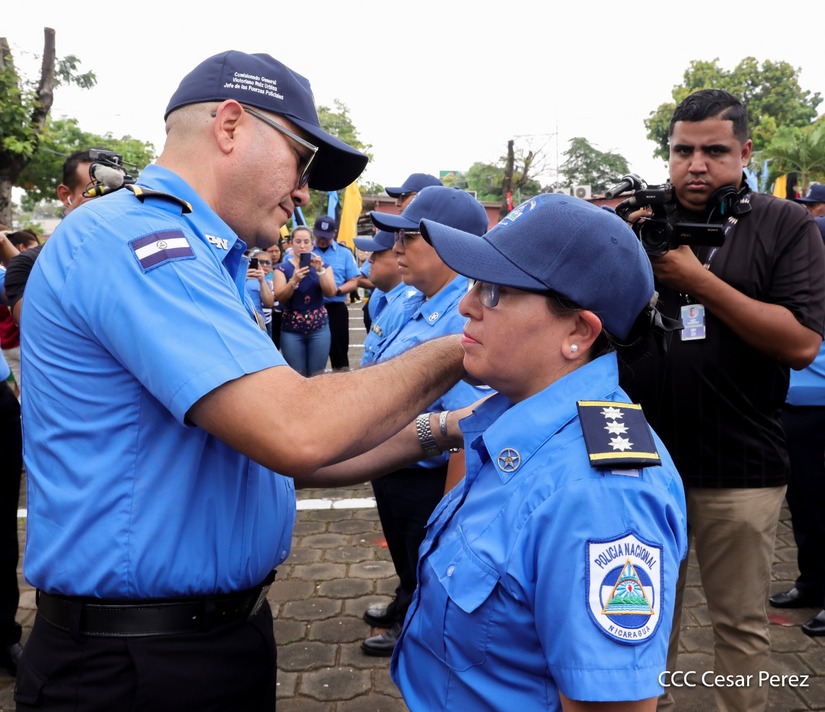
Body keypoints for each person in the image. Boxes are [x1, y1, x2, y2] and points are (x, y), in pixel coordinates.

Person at [14, 50, 468, 712]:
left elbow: (279, 457)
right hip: (139, 665)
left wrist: (449, 427)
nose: (303, 193)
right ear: (229, 125)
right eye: (300, 162)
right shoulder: (139, 242)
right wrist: (464, 348)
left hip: (203, 640)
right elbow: (297, 430)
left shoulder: (202, 257)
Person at [387, 193, 685, 709]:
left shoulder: (602, 499)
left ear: (578, 332)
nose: (465, 305)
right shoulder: (515, 413)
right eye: (475, 283)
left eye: (495, 291)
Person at [617, 89, 825, 712]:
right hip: (638, 465)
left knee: (739, 625)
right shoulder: (639, 222)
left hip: (741, 465)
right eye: (683, 151)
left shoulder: (786, 225)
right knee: (638, 624)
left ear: (745, 152)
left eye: (714, 151)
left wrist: (698, 282)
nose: (696, 165)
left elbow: (800, 343)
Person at [358, 186, 492, 657]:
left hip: (429, 475)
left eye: (409, 237)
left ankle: (420, 630)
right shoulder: (408, 300)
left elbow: (469, 427)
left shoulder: (468, 315)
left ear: (449, 245)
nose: (395, 248)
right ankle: (406, 602)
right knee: (405, 555)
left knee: (428, 559)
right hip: (390, 461)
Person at [769, 212, 825, 636]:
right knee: (803, 503)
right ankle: (811, 583)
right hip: (789, 405)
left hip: (821, 404)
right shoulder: (794, 287)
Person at [3, 152, 93, 326]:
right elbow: (34, 324)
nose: (111, 202)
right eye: (97, 191)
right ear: (65, 195)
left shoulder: (137, 251)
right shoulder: (27, 265)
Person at [273, 225, 336, 376]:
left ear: (312, 245)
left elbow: (331, 292)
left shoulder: (324, 267)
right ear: (291, 244)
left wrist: (320, 271)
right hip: (291, 330)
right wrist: (294, 280)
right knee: (297, 375)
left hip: (319, 328)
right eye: (298, 241)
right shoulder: (281, 269)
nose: (302, 246)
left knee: (316, 375)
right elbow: (280, 297)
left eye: (306, 242)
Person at [311, 215, 360, 370]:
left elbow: (354, 281)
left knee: (339, 355)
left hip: (335, 309)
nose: (322, 240)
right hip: (309, 308)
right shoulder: (305, 252)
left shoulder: (344, 253)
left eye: (326, 237)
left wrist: (337, 291)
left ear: (334, 233)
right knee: (311, 356)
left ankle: (342, 381)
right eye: (319, 236)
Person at [353, 230, 405, 335]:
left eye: (378, 253)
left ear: (399, 256)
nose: (370, 259)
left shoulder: (405, 307)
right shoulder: (386, 290)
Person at [244, 247, 275, 332]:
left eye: (267, 263)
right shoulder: (243, 275)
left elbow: (269, 303)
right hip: (244, 320)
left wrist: (262, 280)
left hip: (262, 323)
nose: (264, 265)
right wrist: (243, 278)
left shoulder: (269, 282)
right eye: (260, 262)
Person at [266, 241, 284, 348]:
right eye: (271, 251)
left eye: (276, 251)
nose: (274, 254)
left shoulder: (284, 268)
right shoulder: (261, 269)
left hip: (281, 309)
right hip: (267, 311)